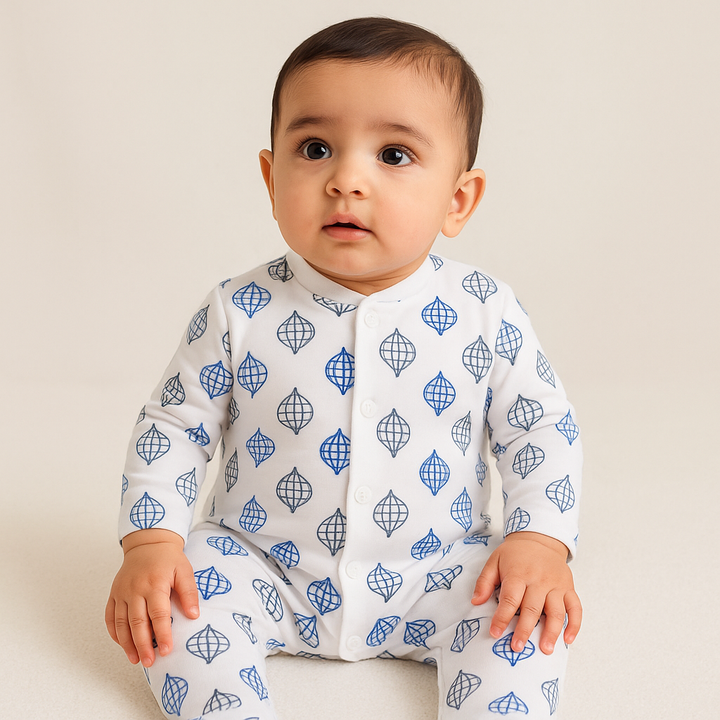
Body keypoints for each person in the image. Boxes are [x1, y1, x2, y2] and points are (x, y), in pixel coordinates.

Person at [106, 17, 582, 719]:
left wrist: (540, 541)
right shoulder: (240, 309)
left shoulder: (485, 311)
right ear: (271, 178)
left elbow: (539, 430)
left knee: (521, 619)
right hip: (261, 562)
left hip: (440, 568)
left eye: (394, 154)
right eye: (316, 148)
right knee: (176, 607)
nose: (346, 180)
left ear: (458, 200)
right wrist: (152, 541)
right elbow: (174, 427)